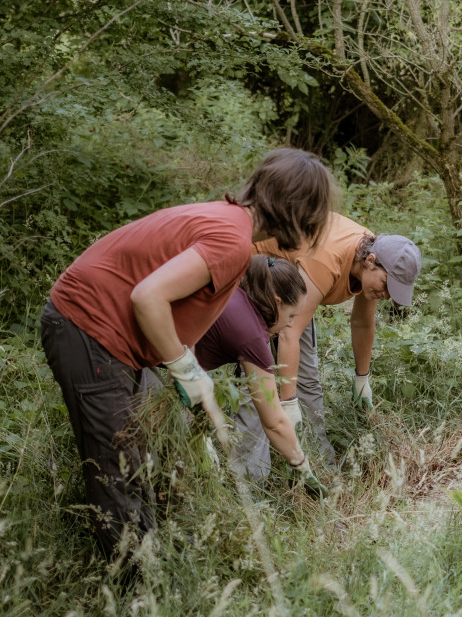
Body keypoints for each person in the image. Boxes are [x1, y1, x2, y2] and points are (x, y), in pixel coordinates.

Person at [40, 147, 335, 563]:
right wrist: (184, 367)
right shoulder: (231, 240)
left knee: (137, 458)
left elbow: (178, 305)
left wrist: (185, 363)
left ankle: (152, 570)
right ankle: (139, 597)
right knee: (119, 469)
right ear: (298, 211)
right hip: (88, 328)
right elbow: (148, 296)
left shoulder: (229, 225)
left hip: (103, 337)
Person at [251, 214, 422, 471]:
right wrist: (287, 403)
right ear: (371, 262)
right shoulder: (329, 259)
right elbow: (289, 334)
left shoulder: (374, 257)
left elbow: (363, 323)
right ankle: (253, 479)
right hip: (257, 280)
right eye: (387, 286)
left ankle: (319, 466)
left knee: (307, 383)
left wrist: (362, 379)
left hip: (294, 290)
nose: (386, 296)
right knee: (255, 386)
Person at [194, 255, 326, 497]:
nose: (291, 325)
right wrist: (302, 465)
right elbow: (273, 421)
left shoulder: (238, 291)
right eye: (292, 316)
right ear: (276, 302)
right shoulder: (252, 335)